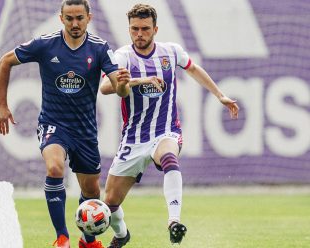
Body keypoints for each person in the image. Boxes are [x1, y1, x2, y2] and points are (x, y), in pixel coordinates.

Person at [99, 4, 239, 247]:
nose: (139, 34)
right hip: (133, 139)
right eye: (134, 29)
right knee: (109, 204)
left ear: (155, 28)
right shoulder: (122, 56)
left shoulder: (171, 52)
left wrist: (220, 95)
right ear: (129, 29)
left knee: (169, 156)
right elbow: (106, 88)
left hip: (165, 131)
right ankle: (122, 236)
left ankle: (174, 221)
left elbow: (193, 69)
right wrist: (134, 81)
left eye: (144, 29)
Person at [0, 0, 130, 247]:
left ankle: (88, 241)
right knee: (55, 168)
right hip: (53, 124)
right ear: (61, 18)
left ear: (89, 18)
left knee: (91, 192)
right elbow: (5, 61)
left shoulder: (100, 49)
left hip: (85, 130)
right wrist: (2, 104)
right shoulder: (45, 44)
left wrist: (122, 83)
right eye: (69, 18)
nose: (75, 23)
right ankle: (62, 237)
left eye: (79, 17)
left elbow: (120, 90)